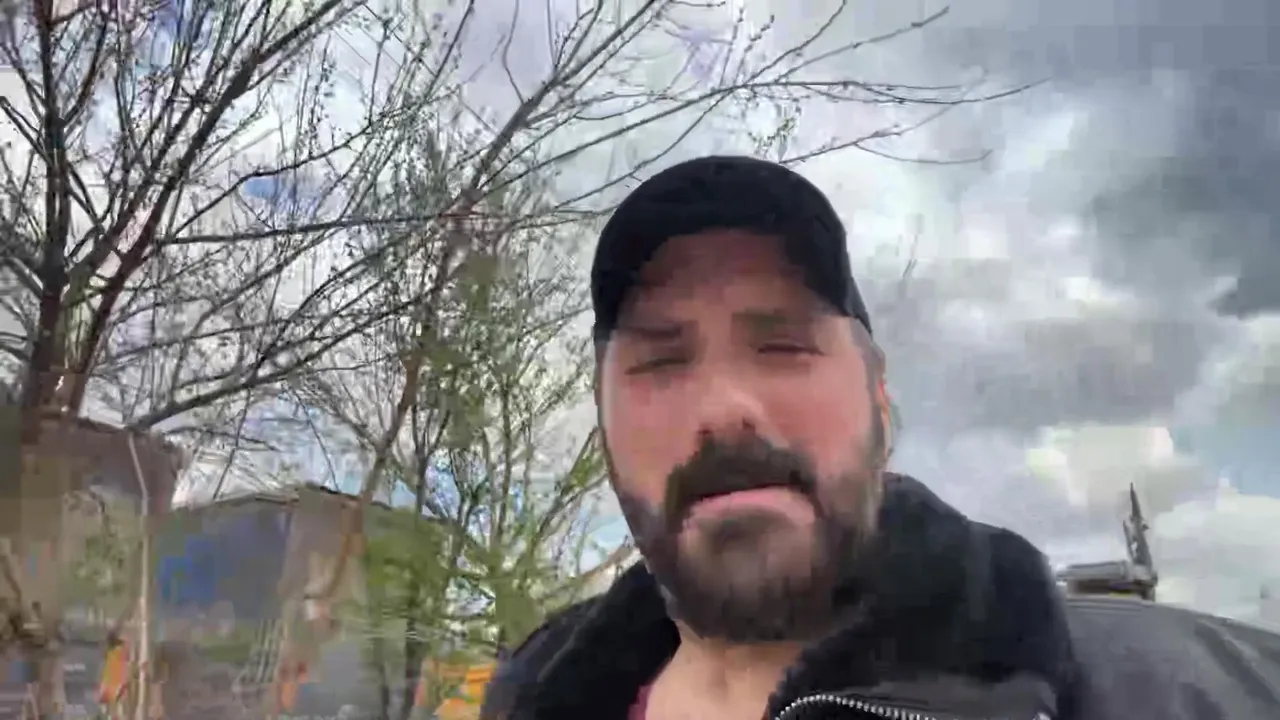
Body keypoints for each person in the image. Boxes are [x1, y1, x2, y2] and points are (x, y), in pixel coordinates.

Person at [480, 155, 1280, 720]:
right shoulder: (526, 698)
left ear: (879, 399)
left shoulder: (1200, 694)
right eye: (660, 361)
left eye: (783, 346)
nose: (724, 409)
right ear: (603, 422)